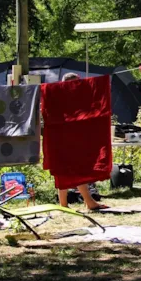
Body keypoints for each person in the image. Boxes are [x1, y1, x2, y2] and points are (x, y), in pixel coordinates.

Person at [56, 72, 108, 211]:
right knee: (76, 170)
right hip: (67, 139)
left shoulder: (70, 98)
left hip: (70, 138)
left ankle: (64, 204)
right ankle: (88, 202)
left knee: (67, 171)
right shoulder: (63, 98)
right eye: (76, 83)